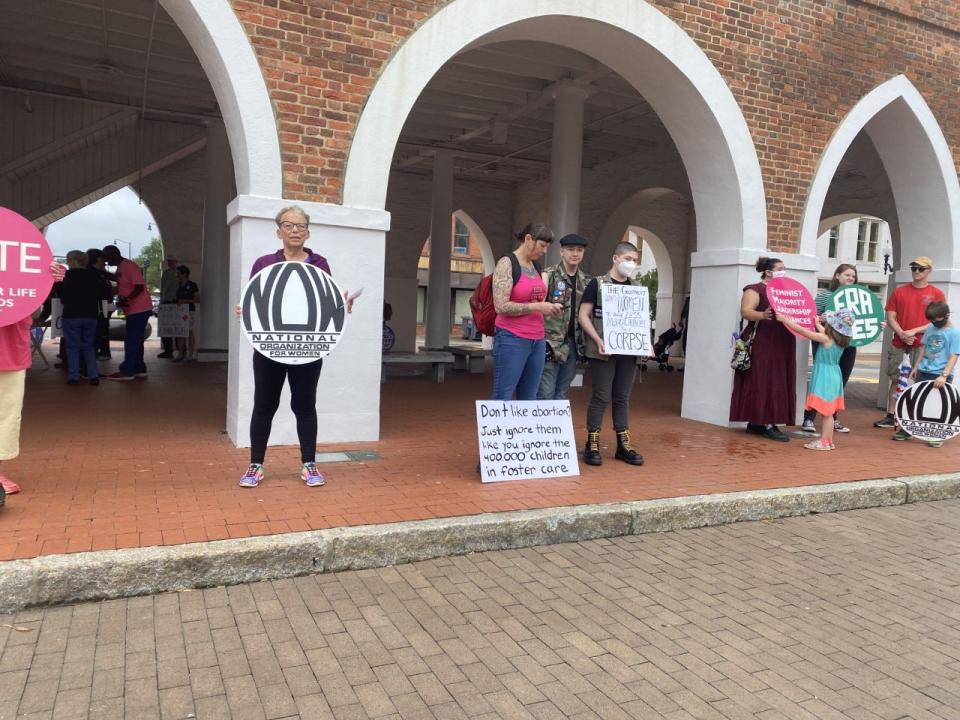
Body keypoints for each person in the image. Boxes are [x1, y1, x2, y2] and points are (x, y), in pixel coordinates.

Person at [237, 205, 354, 489]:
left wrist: (342, 307)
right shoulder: (264, 263)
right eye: (288, 225)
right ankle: (255, 465)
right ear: (278, 231)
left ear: (308, 232)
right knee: (264, 405)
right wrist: (245, 310)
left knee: (304, 405)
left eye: (300, 226)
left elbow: (326, 303)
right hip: (269, 348)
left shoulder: (320, 264)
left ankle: (309, 464)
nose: (295, 231)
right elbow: (256, 300)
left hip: (308, 349)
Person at [0, 262, 66, 501]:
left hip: (11, 351)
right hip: (12, 350)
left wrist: (45, 281)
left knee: (7, 413)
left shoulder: (24, 260)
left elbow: (35, 309)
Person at [577, 242, 645, 466]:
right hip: (602, 351)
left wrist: (646, 343)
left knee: (622, 397)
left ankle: (623, 444)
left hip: (629, 351)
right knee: (601, 395)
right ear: (615, 258)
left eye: (634, 260)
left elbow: (641, 320)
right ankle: (592, 441)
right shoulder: (597, 284)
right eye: (627, 258)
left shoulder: (636, 287)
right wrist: (597, 340)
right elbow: (583, 315)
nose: (631, 263)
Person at [490, 224, 562, 401]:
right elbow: (500, 306)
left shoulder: (535, 266)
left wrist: (548, 309)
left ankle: (524, 429)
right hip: (511, 337)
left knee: (529, 398)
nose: (544, 251)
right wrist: (536, 307)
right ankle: (500, 429)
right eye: (542, 245)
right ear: (528, 239)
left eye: (547, 247)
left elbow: (537, 301)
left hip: (537, 340)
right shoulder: (507, 263)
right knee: (503, 396)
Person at [730, 257, 796, 441]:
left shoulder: (786, 291)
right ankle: (767, 422)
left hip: (782, 340)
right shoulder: (755, 289)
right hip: (762, 340)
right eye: (781, 268)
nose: (785, 271)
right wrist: (762, 314)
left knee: (777, 379)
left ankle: (757, 422)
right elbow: (746, 311)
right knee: (763, 379)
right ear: (768, 272)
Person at [875, 255, 945, 428]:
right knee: (896, 378)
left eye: (921, 269)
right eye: (914, 268)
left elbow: (937, 319)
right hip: (900, 342)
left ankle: (914, 416)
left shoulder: (936, 294)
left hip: (924, 344)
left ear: (929, 271)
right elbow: (891, 315)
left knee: (920, 380)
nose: (916, 272)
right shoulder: (900, 291)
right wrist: (902, 333)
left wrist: (914, 331)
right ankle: (891, 415)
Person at [777, 308, 854, 451]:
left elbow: (804, 332)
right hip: (833, 374)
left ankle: (824, 441)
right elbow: (822, 331)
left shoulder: (826, 339)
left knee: (826, 413)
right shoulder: (838, 341)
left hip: (825, 376)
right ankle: (828, 441)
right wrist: (816, 323)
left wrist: (785, 320)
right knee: (829, 412)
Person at [800, 264, 859, 435]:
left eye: (853, 276)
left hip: (848, 344)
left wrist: (877, 325)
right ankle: (808, 418)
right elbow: (812, 317)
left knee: (840, 381)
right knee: (820, 379)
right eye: (847, 275)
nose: (850, 278)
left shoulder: (857, 298)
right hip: (825, 341)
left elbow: (863, 320)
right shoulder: (825, 295)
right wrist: (822, 318)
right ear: (837, 276)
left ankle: (832, 418)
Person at [893, 300, 959, 447]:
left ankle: (937, 435)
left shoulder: (954, 333)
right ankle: (908, 430)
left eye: (937, 320)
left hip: (939, 374)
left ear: (946, 315)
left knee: (938, 404)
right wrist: (916, 367)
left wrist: (944, 375)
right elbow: (924, 348)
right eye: (932, 320)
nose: (934, 323)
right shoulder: (930, 328)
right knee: (916, 400)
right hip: (924, 370)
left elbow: (954, 355)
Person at [537, 233, 590, 401]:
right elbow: (537, 307)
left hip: (573, 344)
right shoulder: (549, 275)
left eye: (579, 250)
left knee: (561, 393)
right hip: (550, 343)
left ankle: (555, 427)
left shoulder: (587, 281)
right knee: (545, 393)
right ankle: (541, 427)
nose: (575, 253)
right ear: (561, 252)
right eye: (570, 249)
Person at [57, 250, 111, 386]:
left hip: (72, 315)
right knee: (89, 346)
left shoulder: (68, 276)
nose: (67, 262)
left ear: (75, 261)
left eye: (68, 259)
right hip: (91, 315)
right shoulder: (93, 276)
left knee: (72, 346)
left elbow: (64, 296)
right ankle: (93, 375)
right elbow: (101, 293)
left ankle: (74, 376)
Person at [101, 244, 152, 380]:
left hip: (139, 309)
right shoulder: (121, 268)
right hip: (134, 309)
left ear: (114, 255)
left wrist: (127, 300)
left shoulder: (130, 266)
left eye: (107, 258)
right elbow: (122, 285)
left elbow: (139, 287)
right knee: (137, 340)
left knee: (131, 340)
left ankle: (127, 371)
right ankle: (139, 369)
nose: (106, 262)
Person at [86, 248, 114, 360]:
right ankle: (98, 353)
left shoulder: (102, 274)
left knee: (103, 329)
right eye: (103, 259)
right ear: (97, 259)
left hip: (104, 307)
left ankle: (104, 352)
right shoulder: (92, 273)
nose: (105, 261)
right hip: (97, 308)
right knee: (99, 330)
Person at [173, 265, 200, 362]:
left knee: (189, 332)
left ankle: (190, 355)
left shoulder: (193, 285)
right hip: (179, 312)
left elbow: (197, 299)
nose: (177, 275)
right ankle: (180, 354)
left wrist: (185, 301)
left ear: (184, 274)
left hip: (189, 312)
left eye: (178, 273)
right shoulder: (178, 285)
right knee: (180, 332)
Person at [158, 257, 179, 358]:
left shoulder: (179, 273)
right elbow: (162, 288)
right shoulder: (165, 273)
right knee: (165, 328)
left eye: (172, 261)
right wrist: (161, 301)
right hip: (165, 303)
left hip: (175, 303)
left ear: (176, 262)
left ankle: (180, 351)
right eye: (168, 261)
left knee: (178, 328)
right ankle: (168, 351)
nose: (169, 263)